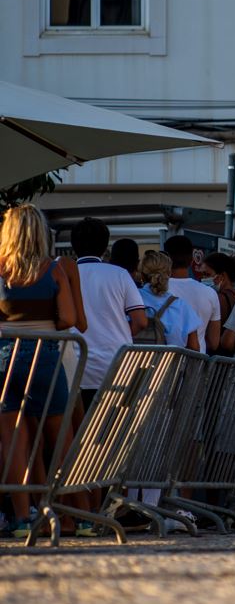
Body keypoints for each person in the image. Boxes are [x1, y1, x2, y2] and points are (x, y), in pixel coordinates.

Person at [0, 204, 81, 538]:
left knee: (13, 439)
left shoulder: (1, 269)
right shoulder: (53, 269)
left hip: (5, 355)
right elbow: (69, 320)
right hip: (45, 354)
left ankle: (21, 518)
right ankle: (67, 511)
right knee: (58, 437)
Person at [70, 218, 146, 409]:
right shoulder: (119, 274)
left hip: (74, 366)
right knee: (113, 429)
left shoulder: (62, 274)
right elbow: (140, 321)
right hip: (116, 364)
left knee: (77, 431)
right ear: (105, 247)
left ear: (73, 246)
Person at [163, 235, 221, 353]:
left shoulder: (157, 290)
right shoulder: (210, 293)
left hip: (164, 363)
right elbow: (214, 343)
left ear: (165, 259)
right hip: (197, 363)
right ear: (191, 261)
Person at [136, 251, 203, 351]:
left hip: (133, 363)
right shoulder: (181, 306)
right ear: (169, 273)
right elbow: (194, 347)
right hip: (171, 364)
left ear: (142, 274)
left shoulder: (133, 298)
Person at [200, 252, 235, 326]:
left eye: (207, 274)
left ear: (222, 276)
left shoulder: (218, 299)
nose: (203, 279)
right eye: (202, 275)